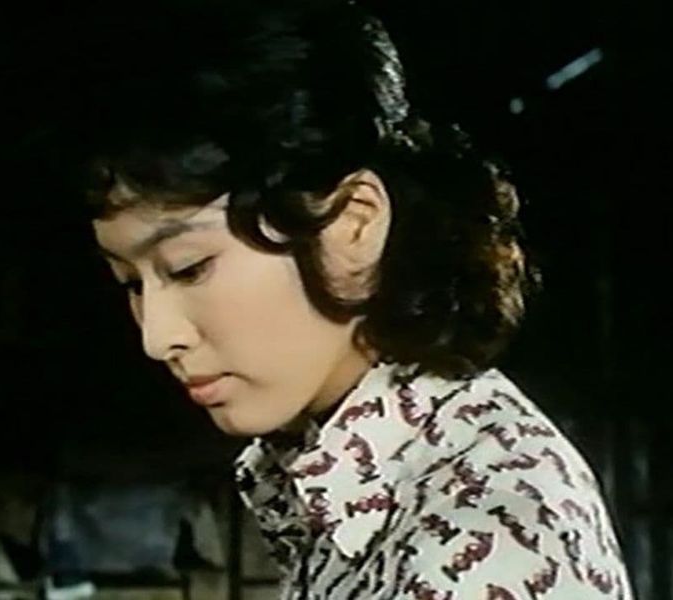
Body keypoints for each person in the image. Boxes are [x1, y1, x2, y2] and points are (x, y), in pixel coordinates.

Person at [41, 0, 635, 597]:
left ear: (353, 223)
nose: (157, 336)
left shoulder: (482, 539)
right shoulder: (361, 485)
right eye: (131, 282)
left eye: (188, 268)